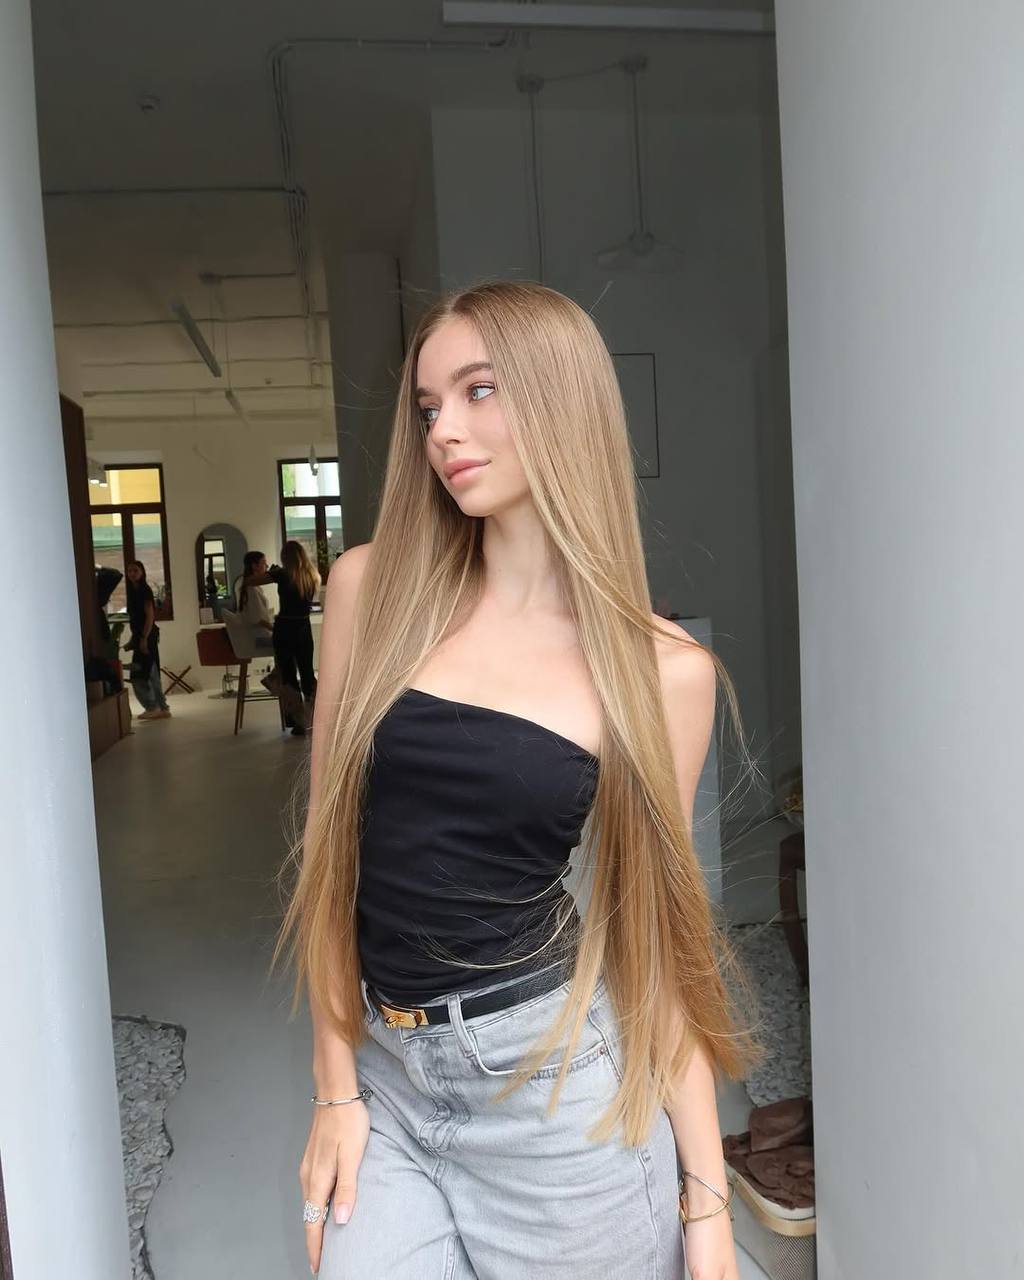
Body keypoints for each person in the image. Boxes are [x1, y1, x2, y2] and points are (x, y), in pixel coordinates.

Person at [279, 283, 758, 1279]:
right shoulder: (371, 589)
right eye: (427, 407)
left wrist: (707, 1200)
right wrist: (334, 1085)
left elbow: (658, 942)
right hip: (391, 1075)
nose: (443, 430)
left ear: (560, 398)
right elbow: (330, 858)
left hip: (552, 1090)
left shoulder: (660, 670)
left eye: (479, 390)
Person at [252, 540, 320, 735]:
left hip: (284, 628)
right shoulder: (312, 575)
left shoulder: (281, 574)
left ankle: (298, 721)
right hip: (303, 627)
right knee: (307, 672)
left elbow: (251, 582)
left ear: (285, 557)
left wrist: (269, 571)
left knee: (288, 674)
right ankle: (315, 717)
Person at [124, 560, 170, 721]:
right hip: (142, 636)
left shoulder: (144, 590)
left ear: (142, 572)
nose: (132, 573)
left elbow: (150, 615)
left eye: (135, 570)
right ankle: (162, 708)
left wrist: (143, 639)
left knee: (140, 673)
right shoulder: (132, 591)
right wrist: (133, 640)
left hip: (148, 635)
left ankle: (153, 707)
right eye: (130, 571)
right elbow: (136, 620)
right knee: (152, 672)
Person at [233, 550, 275, 656]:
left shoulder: (244, 583)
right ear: (254, 566)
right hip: (257, 638)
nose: (267, 566)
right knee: (291, 642)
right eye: (264, 563)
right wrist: (276, 629)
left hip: (253, 635)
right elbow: (257, 619)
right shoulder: (250, 588)